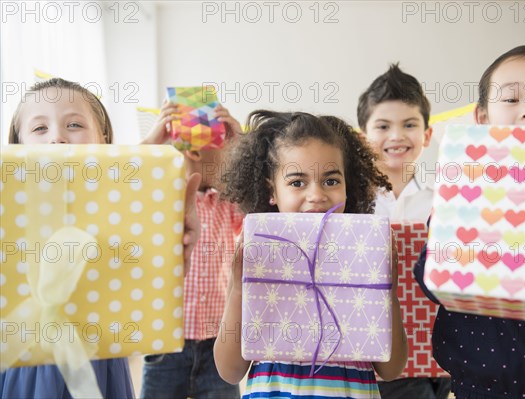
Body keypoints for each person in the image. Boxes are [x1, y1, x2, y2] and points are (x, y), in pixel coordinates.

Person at [414, 44, 525, 398]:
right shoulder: (461, 191)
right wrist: (447, 235)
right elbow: (433, 284)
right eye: (511, 100)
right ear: (482, 118)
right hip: (490, 387)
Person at [1, 77, 200, 399]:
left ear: (104, 139)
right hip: (25, 358)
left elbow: (116, 181)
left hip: (101, 355)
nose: (57, 139)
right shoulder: (9, 202)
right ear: (17, 144)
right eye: (39, 129)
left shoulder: (121, 203)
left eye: (75, 124)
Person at [214, 110, 408, 398]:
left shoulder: (363, 251)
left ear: (348, 185)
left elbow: (391, 369)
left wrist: (386, 289)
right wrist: (239, 289)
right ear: (272, 191)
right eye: (297, 182)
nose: (316, 195)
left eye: (331, 181)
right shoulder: (258, 251)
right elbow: (230, 371)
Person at [139, 100, 244, 398]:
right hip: (166, 342)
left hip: (216, 345)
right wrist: (151, 144)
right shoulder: (160, 197)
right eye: (228, 151)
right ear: (195, 151)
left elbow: (259, 208)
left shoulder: (227, 201)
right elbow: (121, 180)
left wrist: (243, 145)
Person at [358, 64, 451, 399]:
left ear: (427, 135)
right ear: (362, 136)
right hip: (378, 360)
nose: (396, 136)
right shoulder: (351, 208)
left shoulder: (445, 202)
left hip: (438, 356)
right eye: (383, 126)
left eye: (409, 124)